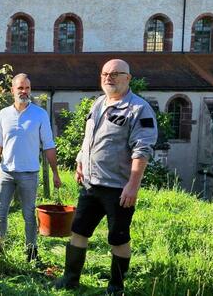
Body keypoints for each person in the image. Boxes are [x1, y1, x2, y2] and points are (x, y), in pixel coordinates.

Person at [55, 59, 158, 295]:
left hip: (118, 188)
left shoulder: (139, 109)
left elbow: (142, 151)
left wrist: (133, 186)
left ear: (128, 78)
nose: (108, 78)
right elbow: (88, 138)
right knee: (78, 231)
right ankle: (70, 280)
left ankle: (115, 287)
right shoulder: (99, 103)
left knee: (118, 238)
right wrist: (81, 160)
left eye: (115, 74)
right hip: (90, 184)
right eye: (104, 74)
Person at [0, 73, 62, 262]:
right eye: (20, 88)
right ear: (12, 90)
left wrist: (55, 173)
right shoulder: (4, 114)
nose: (24, 91)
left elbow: (49, 144)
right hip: (6, 172)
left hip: (29, 173)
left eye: (27, 88)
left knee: (28, 213)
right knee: (0, 211)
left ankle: (32, 251)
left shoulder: (39, 114)